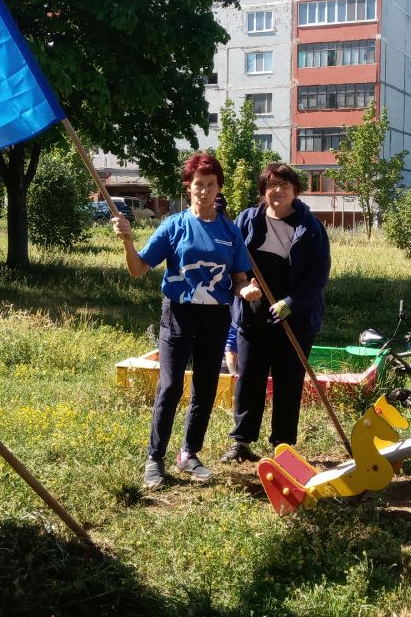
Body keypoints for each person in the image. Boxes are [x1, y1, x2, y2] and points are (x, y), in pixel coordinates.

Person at [111, 152, 260, 489]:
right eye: (198, 185)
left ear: (218, 187)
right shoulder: (174, 225)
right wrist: (127, 240)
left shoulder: (230, 232)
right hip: (178, 314)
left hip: (216, 317)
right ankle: (155, 459)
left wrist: (246, 290)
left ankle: (189, 454)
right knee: (170, 386)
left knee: (205, 387)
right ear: (188, 188)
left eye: (210, 185)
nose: (204, 191)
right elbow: (138, 270)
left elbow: (238, 279)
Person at [221, 164, 331, 464]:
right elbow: (230, 257)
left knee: (288, 381)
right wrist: (243, 286)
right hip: (253, 313)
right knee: (250, 380)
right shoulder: (246, 221)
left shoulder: (310, 228)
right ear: (263, 191)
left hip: (295, 317)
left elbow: (318, 275)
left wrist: (291, 302)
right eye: (271, 185)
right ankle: (241, 442)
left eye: (284, 184)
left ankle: (283, 444)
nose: (278, 190)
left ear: (296, 190)